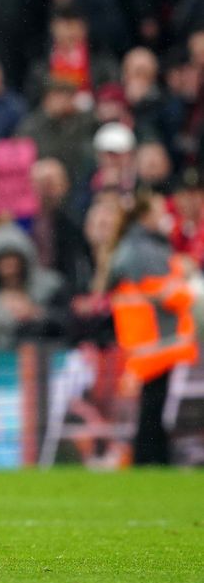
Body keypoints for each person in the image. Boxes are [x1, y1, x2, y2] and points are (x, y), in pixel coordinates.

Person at [108, 191, 198, 464]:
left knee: (153, 405)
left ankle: (151, 458)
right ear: (146, 216)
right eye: (161, 212)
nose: (167, 217)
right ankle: (150, 458)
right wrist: (190, 287)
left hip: (145, 339)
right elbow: (166, 292)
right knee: (153, 406)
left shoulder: (134, 246)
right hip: (156, 340)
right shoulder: (145, 250)